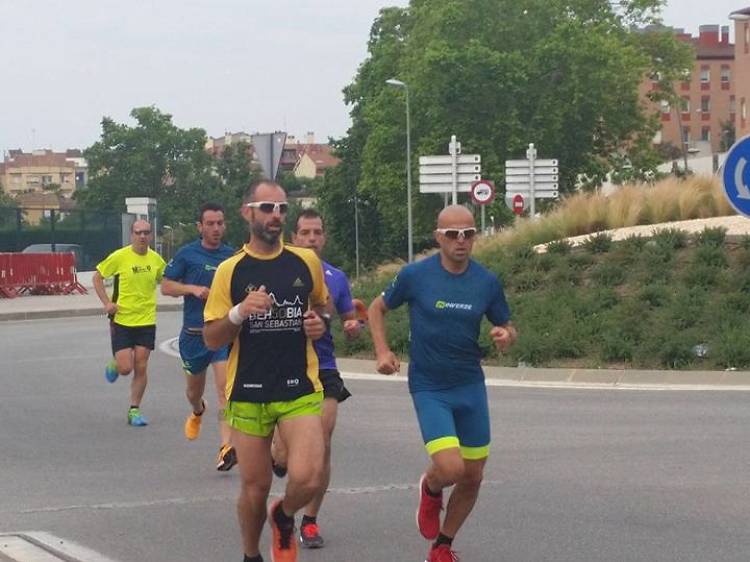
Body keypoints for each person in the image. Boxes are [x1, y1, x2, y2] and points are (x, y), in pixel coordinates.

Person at [368, 205, 518, 562]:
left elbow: (508, 326)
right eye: (453, 234)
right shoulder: (415, 276)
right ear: (438, 237)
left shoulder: (486, 282)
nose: (461, 241)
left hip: (469, 384)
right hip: (430, 385)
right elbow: (376, 308)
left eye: (468, 233)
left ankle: (442, 546)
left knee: (474, 475)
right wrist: (382, 351)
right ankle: (431, 486)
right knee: (451, 468)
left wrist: (505, 335)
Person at [203, 180, 329, 562]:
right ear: (248, 213)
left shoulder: (305, 261)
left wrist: (319, 324)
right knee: (255, 488)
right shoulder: (230, 270)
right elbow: (211, 337)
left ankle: (285, 514)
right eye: (267, 208)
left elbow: (323, 308)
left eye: (281, 209)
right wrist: (239, 312)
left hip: (299, 387)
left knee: (307, 476)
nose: (276, 216)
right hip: (250, 390)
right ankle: (250, 555)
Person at [270, 209, 362, 549]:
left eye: (317, 232)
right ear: (294, 236)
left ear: (323, 237)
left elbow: (351, 321)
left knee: (321, 446)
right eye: (305, 232)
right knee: (283, 457)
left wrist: (354, 326)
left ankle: (308, 520)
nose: (312, 238)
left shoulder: (336, 278)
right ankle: (277, 456)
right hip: (284, 367)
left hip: (323, 368)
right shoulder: (277, 270)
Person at [161, 202, 238, 471]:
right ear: (200, 227)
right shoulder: (186, 255)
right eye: (210, 224)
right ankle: (197, 410)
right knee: (194, 391)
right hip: (194, 336)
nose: (216, 228)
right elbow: (166, 287)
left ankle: (225, 447)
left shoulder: (232, 256)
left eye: (220, 223)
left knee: (224, 390)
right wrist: (192, 289)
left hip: (222, 335)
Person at [93, 219, 167, 427]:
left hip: (146, 320)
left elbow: (166, 280)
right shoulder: (120, 256)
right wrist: (107, 303)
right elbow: (97, 277)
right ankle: (116, 365)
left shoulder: (156, 260)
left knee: (141, 366)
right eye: (138, 233)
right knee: (126, 368)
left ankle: (134, 410)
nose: (142, 236)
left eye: (146, 232)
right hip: (122, 320)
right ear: (131, 235)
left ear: (150, 235)